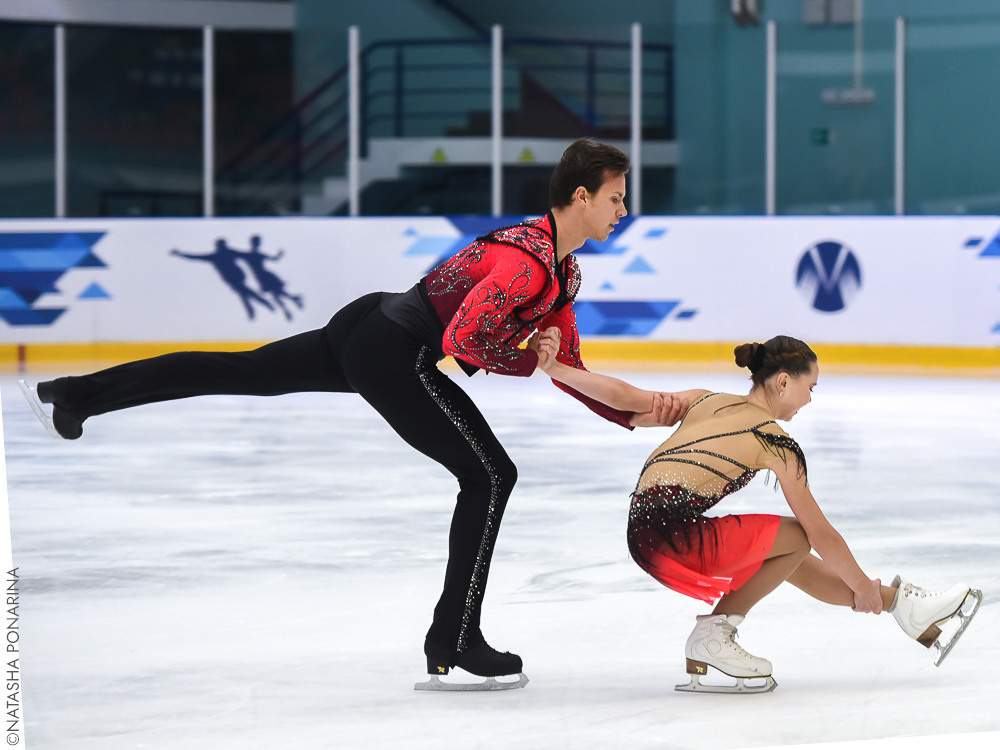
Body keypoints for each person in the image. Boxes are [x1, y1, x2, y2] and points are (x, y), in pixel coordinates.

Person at [18, 138, 687, 691]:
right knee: (490, 475)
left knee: (241, 371)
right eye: (615, 198)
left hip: (371, 323)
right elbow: (466, 340)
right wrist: (526, 360)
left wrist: (635, 416)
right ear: (580, 197)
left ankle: (76, 395)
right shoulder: (524, 263)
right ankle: (454, 637)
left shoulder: (562, 275)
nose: (623, 210)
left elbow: (568, 367)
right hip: (393, 349)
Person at [535, 333, 981, 693]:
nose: (810, 400)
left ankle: (900, 606)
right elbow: (819, 531)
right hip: (675, 538)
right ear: (783, 382)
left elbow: (627, 396)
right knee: (797, 536)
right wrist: (861, 585)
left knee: (785, 554)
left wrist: (556, 369)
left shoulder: (706, 400)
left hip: (644, 531)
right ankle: (712, 635)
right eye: (810, 387)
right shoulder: (776, 442)